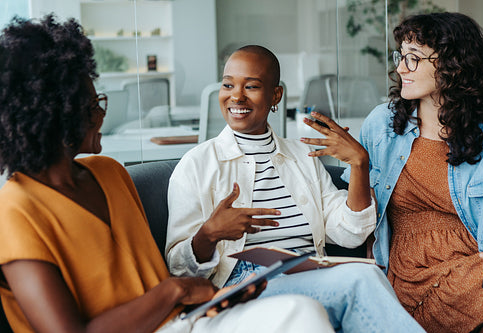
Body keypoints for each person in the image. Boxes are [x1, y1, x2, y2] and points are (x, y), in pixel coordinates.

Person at [0, 15, 336, 333]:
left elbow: (151, 274)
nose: (103, 113)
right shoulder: (16, 210)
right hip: (168, 318)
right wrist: (175, 291)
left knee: (303, 312)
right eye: (92, 105)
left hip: (184, 321)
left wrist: (215, 295)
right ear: (56, 118)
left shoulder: (110, 174)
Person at [166, 44, 425, 332]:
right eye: (228, 84)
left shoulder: (301, 157)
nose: (236, 96)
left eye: (251, 86)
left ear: (275, 95)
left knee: (366, 276)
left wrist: (359, 165)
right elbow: (177, 269)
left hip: (309, 275)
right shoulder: (197, 165)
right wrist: (209, 234)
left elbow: (350, 233)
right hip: (243, 287)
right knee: (360, 280)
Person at [333, 12, 483, 333]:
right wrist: (357, 163)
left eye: (413, 59)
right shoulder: (381, 124)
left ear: (453, 66)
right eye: (401, 57)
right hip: (409, 269)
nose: (400, 68)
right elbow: (359, 212)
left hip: (475, 264)